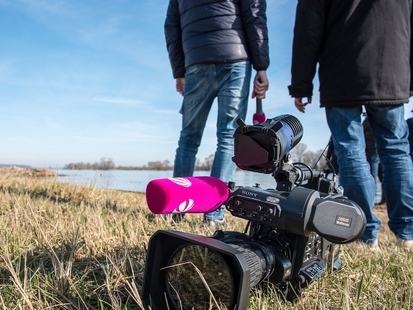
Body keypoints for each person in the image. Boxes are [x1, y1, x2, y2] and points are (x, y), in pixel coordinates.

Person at [288, 0, 413, 251]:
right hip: (392, 64)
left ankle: (364, 233)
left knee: (350, 151)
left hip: (342, 68)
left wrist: (302, 83)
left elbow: (308, 29)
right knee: (396, 150)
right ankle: (407, 233)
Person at [164, 0, 269, 227]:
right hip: (235, 57)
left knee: (188, 138)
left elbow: (172, 27)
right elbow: (254, 14)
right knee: (228, 137)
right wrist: (261, 65)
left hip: (195, 62)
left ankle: (176, 210)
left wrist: (179, 71)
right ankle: (212, 215)